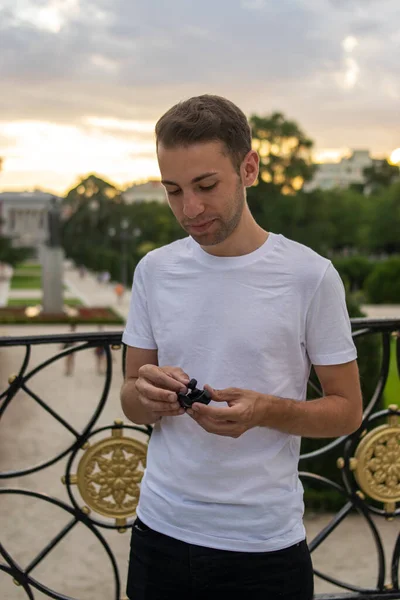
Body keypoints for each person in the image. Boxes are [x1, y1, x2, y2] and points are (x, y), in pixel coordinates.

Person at [120, 95, 363, 600]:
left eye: (206, 186)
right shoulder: (154, 271)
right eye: (173, 191)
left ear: (248, 168)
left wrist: (266, 410)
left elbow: (347, 412)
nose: (190, 209)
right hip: (159, 532)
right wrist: (150, 397)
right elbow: (129, 397)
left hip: (263, 546)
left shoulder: (310, 275)